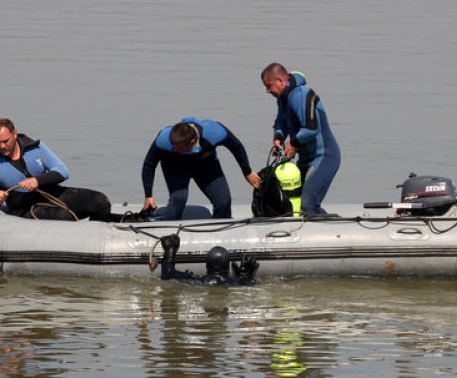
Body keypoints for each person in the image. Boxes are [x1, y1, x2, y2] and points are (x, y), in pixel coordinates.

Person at [0, 118, 121, 221]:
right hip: (23, 207)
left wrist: (37, 181)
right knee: (64, 216)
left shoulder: (35, 147)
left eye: (6, 141)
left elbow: (63, 171)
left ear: (15, 134)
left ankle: (96, 242)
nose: (2, 146)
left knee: (100, 201)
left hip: (50, 193)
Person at [141, 116, 261, 220]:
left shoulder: (213, 132)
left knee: (224, 202)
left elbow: (237, 147)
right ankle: (168, 233)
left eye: (178, 148)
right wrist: (148, 195)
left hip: (205, 166)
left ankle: (219, 233)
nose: (174, 149)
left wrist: (247, 172)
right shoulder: (165, 138)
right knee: (178, 198)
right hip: (175, 167)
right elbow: (149, 164)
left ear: (192, 141)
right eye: (173, 146)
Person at [261, 63, 341, 215]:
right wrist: (278, 137)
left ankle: (332, 232)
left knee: (307, 204)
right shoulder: (282, 98)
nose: (267, 91)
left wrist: (292, 143)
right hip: (305, 160)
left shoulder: (301, 94)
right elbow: (281, 121)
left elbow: (311, 128)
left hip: (324, 157)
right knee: (294, 204)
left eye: (268, 86)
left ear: (279, 81)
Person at [159, 235, 258, 286]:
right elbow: (250, 286)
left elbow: (168, 275)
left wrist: (170, 250)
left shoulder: (196, 281)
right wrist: (245, 277)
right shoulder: (235, 283)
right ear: (227, 267)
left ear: (207, 265)